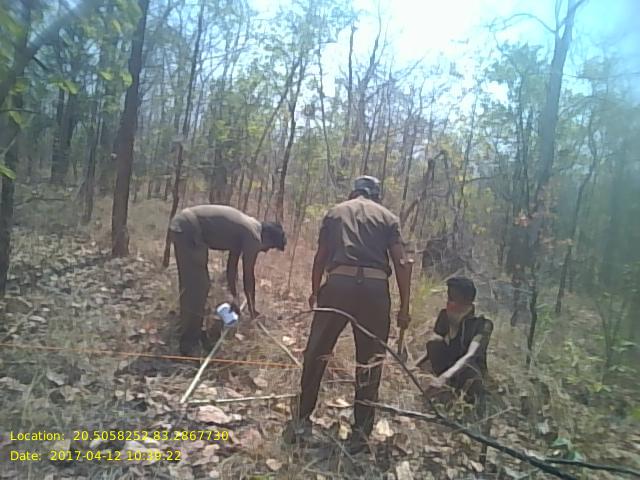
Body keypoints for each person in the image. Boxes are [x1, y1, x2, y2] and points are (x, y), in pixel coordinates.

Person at [283, 175, 412, 454]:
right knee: (370, 361)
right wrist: (404, 307)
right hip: (375, 291)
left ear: (354, 192)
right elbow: (402, 264)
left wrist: (315, 291)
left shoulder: (335, 212)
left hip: (338, 285)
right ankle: (360, 434)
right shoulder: (388, 218)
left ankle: (302, 418)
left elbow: (321, 256)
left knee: (317, 351)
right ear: (376, 196)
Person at [169, 204, 286, 355]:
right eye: (269, 247)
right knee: (197, 287)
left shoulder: (248, 227)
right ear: (267, 237)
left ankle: (195, 330)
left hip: (187, 226)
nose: (265, 251)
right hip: (189, 229)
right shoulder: (253, 236)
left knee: (199, 285)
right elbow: (248, 276)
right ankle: (188, 342)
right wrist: (252, 311)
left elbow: (232, 269)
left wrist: (234, 297)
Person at [416, 277, 493, 403]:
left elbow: (471, 356)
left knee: (470, 370)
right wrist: (415, 366)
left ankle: (467, 398)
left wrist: (444, 377)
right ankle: (446, 389)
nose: (448, 301)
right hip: (450, 365)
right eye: (449, 296)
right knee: (434, 344)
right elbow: (434, 343)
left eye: (453, 297)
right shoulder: (444, 316)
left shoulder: (483, 324)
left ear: (466, 300)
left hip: (469, 372)